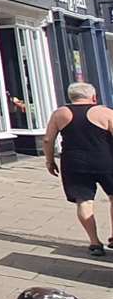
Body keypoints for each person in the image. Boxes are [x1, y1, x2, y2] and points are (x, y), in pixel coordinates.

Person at [42, 82, 113, 257]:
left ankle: (95, 243)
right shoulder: (105, 113)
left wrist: (49, 161)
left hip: (75, 164)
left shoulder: (60, 113)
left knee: (84, 201)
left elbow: (47, 140)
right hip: (106, 162)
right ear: (94, 97)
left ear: (71, 97)